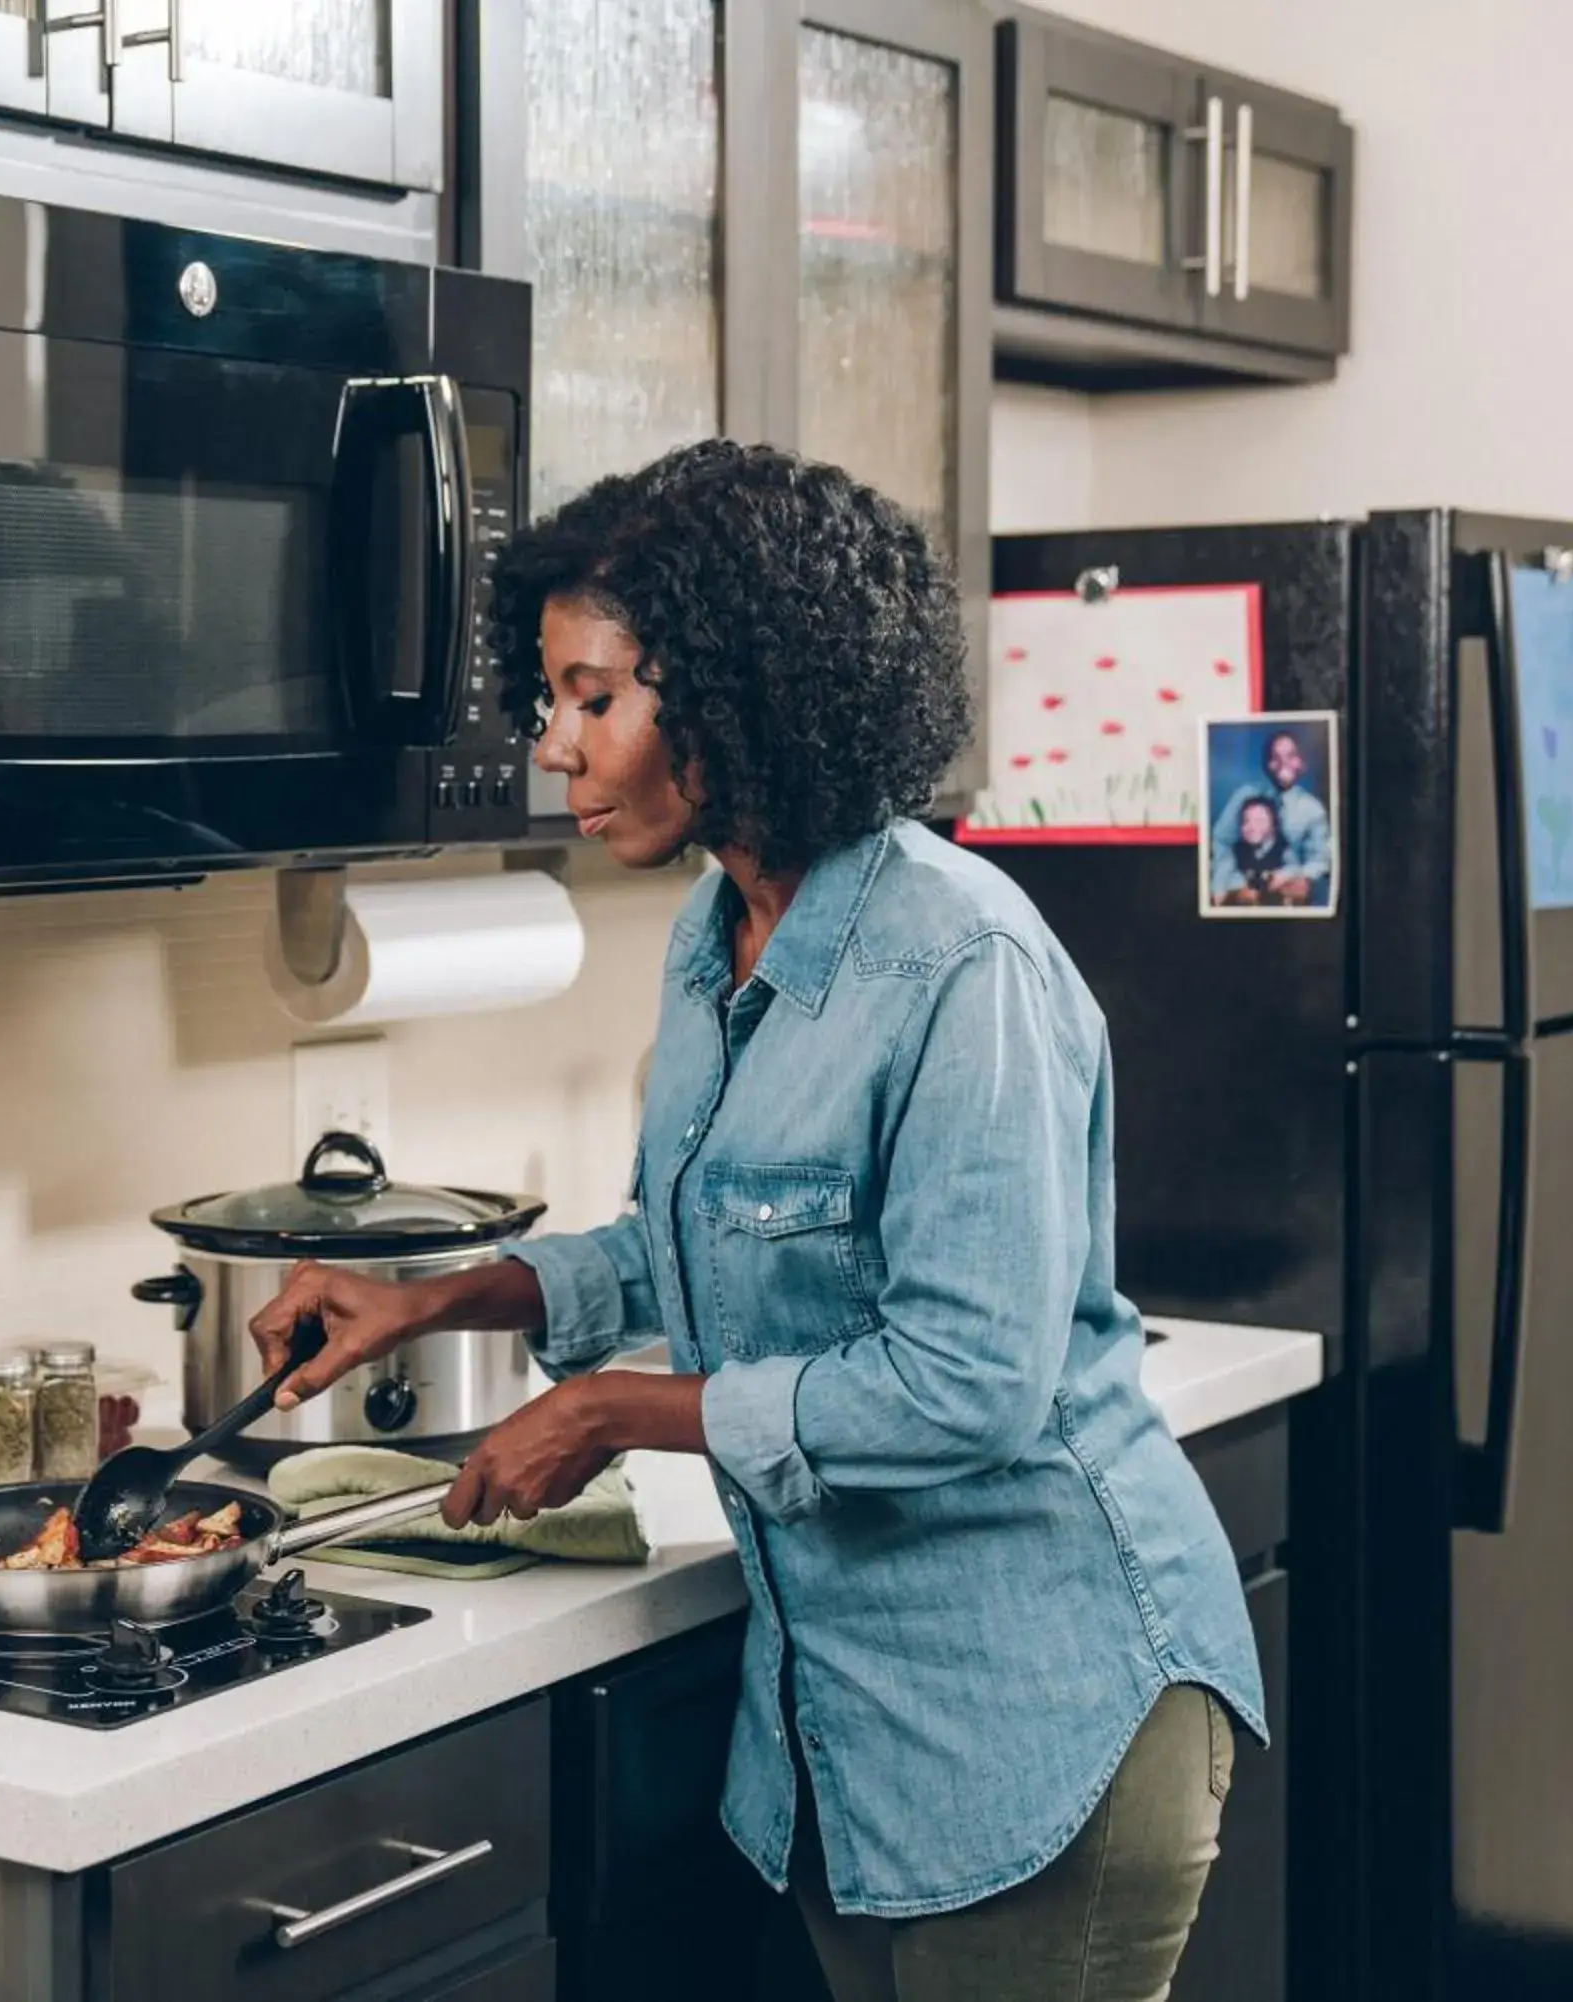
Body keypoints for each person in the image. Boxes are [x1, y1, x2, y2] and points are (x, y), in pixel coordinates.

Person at [247, 441, 1263, 2002]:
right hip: (853, 1735)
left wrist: (617, 1410)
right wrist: (438, 1298)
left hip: (1044, 1715)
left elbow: (967, 1384)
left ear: (741, 692)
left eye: (596, 699)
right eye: (551, 702)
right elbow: (691, 1240)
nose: (558, 749)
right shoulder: (717, 931)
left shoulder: (960, 966)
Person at [1209, 728, 1329, 906]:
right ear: (1266, 764)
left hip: (1288, 894)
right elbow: (1222, 840)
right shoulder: (1245, 794)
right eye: (1275, 757)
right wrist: (1228, 885)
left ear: (1302, 763)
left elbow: (1321, 858)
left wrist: (1301, 877)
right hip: (1240, 888)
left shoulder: (1313, 809)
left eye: (1291, 756)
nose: (1283, 764)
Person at [1211, 792, 1287, 906]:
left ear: (1274, 825)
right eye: (1246, 821)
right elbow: (1223, 876)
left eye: (1259, 821)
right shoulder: (1237, 849)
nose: (1251, 827)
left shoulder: (1286, 851)